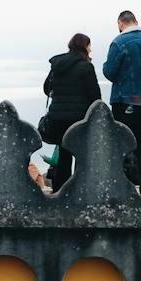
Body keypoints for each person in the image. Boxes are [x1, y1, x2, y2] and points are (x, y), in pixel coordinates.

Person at [102, 10, 141, 190]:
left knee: (120, 144)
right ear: (136, 21)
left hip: (124, 100)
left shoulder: (118, 42)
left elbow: (109, 72)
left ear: (120, 23)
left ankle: (119, 188)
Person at [40, 32, 101, 193]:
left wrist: (60, 96)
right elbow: (95, 95)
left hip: (57, 117)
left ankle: (60, 190)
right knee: (81, 155)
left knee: (64, 155)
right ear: (85, 47)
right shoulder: (86, 66)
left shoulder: (57, 64)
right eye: (89, 46)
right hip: (79, 119)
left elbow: (47, 88)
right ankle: (80, 190)